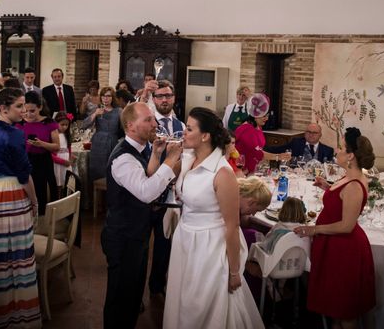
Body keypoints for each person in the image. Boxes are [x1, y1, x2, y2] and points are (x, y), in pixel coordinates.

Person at [164, 107, 264, 329]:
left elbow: (232, 225)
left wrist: (235, 271)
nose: (184, 133)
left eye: (189, 129)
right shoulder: (188, 160)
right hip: (185, 239)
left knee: (205, 307)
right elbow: (155, 177)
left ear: (205, 136)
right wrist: (158, 153)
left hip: (210, 245)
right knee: (183, 301)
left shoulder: (222, 173)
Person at [101, 102, 181, 329]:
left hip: (137, 233)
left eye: (153, 119)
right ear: (130, 126)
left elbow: (148, 178)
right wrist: (170, 159)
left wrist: (156, 155)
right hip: (123, 236)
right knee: (120, 299)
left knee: (134, 295)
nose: (155, 124)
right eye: (148, 120)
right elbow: (146, 192)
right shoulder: (123, 158)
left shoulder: (142, 149)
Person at [294, 127, 376, 329]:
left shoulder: (355, 185)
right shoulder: (348, 177)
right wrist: (326, 186)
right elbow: (341, 199)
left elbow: (346, 226)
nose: (336, 151)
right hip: (333, 246)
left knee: (345, 311)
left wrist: (313, 230)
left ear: (350, 156)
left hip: (344, 249)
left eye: (341, 148)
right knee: (334, 308)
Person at [0, 87, 41, 328]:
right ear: (3, 108)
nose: (24, 110)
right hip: (11, 193)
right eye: (19, 106)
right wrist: (34, 201)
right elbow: (24, 175)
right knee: (17, 256)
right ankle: (17, 315)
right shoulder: (15, 134)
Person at [148, 80, 186, 296]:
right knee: (142, 247)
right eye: (160, 96)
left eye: (168, 96)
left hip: (172, 195)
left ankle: (158, 286)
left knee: (165, 244)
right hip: (150, 189)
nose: (164, 100)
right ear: (154, 100)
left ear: (173, 98)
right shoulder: (149, 124)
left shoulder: (181, 126)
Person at [17, 92, 60, 215]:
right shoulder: (19, 123)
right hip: (25, 161)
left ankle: (43, 221)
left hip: (43, 161)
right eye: (26, 110)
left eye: (33, 111)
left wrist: (41, 144)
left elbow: (57, 147)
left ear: (40, 107)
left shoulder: (48, 122)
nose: (29, 114)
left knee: (42, 193)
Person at [234, 94, 290, 174]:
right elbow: (258, 152)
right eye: (264, 116)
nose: (267, 118)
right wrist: (278, 157)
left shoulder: (258, 127)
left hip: (253, 170)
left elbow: (259, 149)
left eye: (267, 115)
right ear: (255, 115)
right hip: (242, 172)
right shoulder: (246, 129)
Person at [82, 86, 122, 185]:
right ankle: (95, 197)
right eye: (103, 96)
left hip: (112, 141)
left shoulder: (118, 111)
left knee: (110, 170)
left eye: (108, 96)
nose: (105, 98)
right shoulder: (97, 109)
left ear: (112, 97)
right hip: (97, 143)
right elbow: (84, 125)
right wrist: (95, 114)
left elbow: (123, 128)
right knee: (96, 170)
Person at [266, 122, 335, 162]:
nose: (311, 134)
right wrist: (260, 150)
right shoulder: (296, 143)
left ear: (320, 135)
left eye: (314, 133)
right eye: (309, 132)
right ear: (305, 133)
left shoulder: (328, 150)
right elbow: (278, 149)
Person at [52, 111, 76, 194]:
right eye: (62, 124)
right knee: (58, 184)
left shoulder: (67, 135)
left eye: (67, 125)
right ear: (56, 123)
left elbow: (68, 149)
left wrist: (70, 159)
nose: (65, 127)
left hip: (66, 163)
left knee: (67, 183)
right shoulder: (54, 135)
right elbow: (51, 155)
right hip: (58, 164)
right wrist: (63, 161)